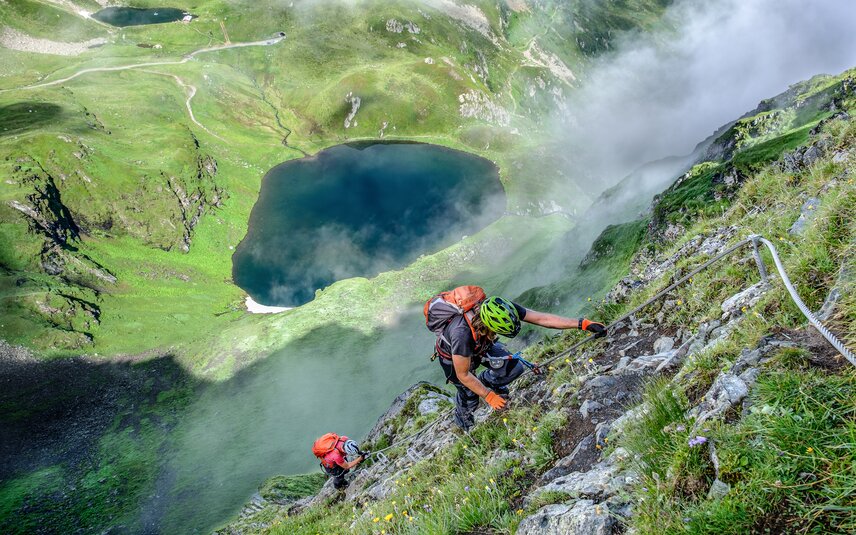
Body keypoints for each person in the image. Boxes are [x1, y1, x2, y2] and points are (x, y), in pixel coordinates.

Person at [426, 288, 606, 431]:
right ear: (487, 325)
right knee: (469, 396)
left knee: (513, 368)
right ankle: (465, 424)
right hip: (454, 358)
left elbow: (541, 318)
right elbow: (463, 374)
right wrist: (488, 397)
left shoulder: (501, 308)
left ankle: (486, 381)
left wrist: (582, 324)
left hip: (481, 345)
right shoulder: (461, 334)